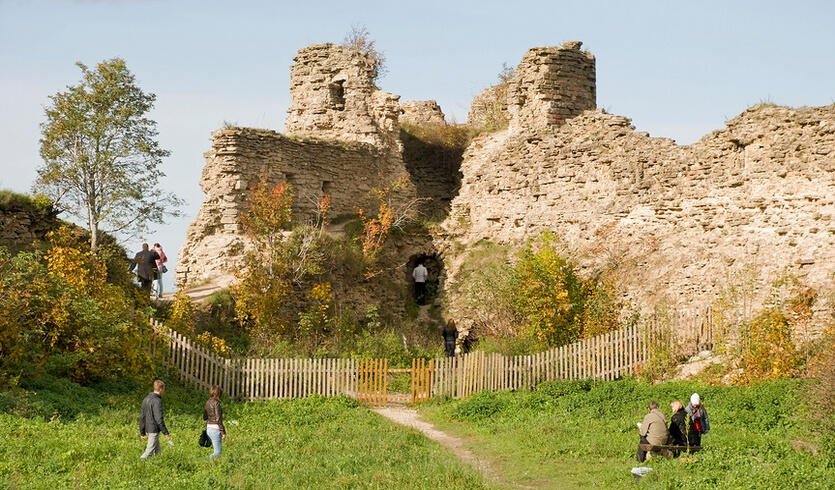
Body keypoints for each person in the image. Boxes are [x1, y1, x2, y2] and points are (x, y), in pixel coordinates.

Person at [139, 379, 172, 459]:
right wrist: (166, 433)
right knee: (149, 451)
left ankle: (159, 465)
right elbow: (159, 419)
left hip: (148, 429)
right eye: (164, 389)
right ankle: (138, 464)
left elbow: (142, 417)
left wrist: (142, 432)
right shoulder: (157, 401)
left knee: (157, 452)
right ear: (160, 389)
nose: (164, 391)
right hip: (153, 430)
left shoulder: (146, 399)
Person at [203, 385, 227, 459]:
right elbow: (218, 419)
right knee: (217, 453)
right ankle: (204, 461)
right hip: (215, 429)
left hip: (209, 429)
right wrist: (223, 432)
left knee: (215, 451)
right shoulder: (217, 403)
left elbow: (204, 417)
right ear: (219, 394)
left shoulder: (207, 402)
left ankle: (212, 465)